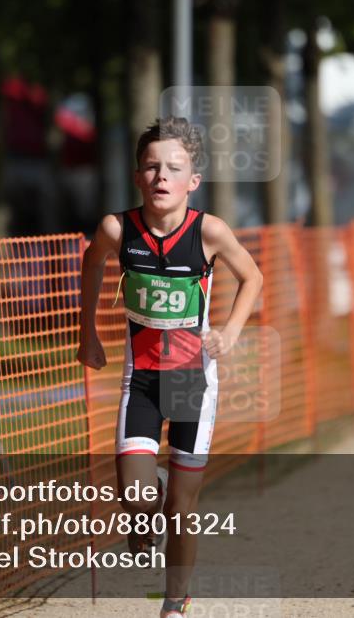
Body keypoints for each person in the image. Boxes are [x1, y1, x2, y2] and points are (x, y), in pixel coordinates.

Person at [77, 117, 263, 618]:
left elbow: (252, 277)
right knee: (137, 498)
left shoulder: (209, 232)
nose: (162, 176)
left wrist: (228, 333)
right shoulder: (118, 229)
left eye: (174, 168)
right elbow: (92, 264)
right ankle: (147, 501)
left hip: (190, 382)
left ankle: (174, 604)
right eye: (152, 167)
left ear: (192, 181)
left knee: (183, 507)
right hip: (140, 379)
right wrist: (87, 331)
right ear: (138, 176)